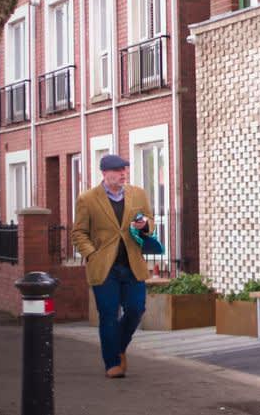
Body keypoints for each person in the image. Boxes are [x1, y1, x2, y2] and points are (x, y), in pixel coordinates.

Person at [70, 154, 153, 378]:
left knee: (136, 309)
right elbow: (78, 233)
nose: (123, 174)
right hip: (104, 267)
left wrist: (145, 225)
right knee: (108, 315)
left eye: (125, 169)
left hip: (132, 263)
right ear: (105, 174)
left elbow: (150, 222)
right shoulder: (87, 199)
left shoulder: (138, 194)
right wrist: (92, 254)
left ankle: (118, 346)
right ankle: (112, 363)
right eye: (118, 170)